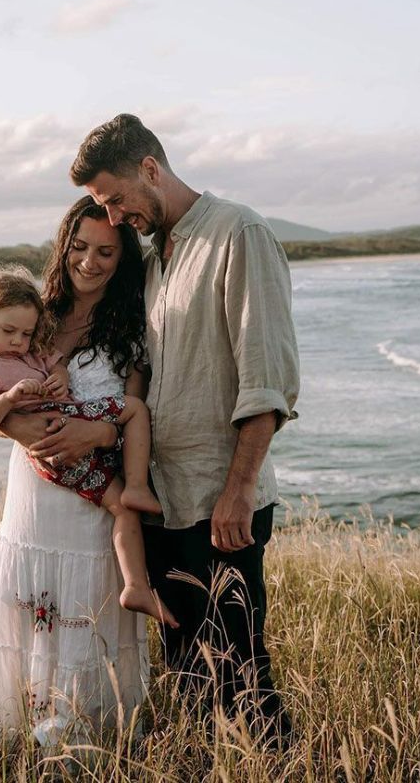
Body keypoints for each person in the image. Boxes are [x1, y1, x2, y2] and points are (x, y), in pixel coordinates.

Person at [69, 113, 300, 743]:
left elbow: (267, 375)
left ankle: (274, 764)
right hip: (163, 501)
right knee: (190, 673)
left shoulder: (238, 233)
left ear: (151, 169)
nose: (113, 216)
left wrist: (239, 490)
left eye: (115, 199)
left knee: (242, 672)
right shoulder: (151, 260)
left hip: (217, 500)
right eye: (101, 206)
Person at [0, 197, 155, 744]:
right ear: (64, 246)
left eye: (106, 251)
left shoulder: (134, 325)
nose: (90, 261)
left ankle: (85, 746)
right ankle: (27, 737)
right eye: (79, 247)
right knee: (34, 619)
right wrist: (32, 436)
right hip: (34, 495)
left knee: (85, 621)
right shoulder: (37, 312)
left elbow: (135, 407)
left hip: (92, 502)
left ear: (123, 258)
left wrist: (99, 433)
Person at [0, 265, 175, 626]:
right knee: (120, 502)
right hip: (52, 451)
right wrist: (11, 402)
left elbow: (56, 365)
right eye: (8, 332)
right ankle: (136, 580)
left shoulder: (32, 349)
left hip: (78, 421)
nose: (17, 340)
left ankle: (136, 537)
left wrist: (58, 379)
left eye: (25, 334)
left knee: (134, 416)